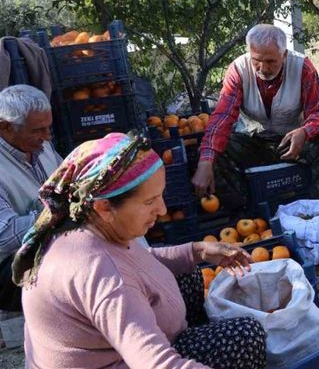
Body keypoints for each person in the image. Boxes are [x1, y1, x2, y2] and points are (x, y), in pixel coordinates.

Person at [17, 132, 267, 368]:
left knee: (187, 273)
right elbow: (155, 363)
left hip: (118, 342)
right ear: (105, 207)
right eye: (150, 202)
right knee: (244, 337)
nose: (162, 210)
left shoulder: (81, 226)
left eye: (160, 196)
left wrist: (197, 251)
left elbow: (139, 261)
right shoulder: (103, 274)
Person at [192, 24, 319, 203]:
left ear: (284, 55)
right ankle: (245, 210)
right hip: (254, 141)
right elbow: (222, 118)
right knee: (210, 152)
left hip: (292, 143)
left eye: (271, 61)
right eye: (256, 60)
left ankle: (318, 205)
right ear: (249, 53)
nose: (263, 68)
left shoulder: (302, 67)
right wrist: (205, 161)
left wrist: (305, 132)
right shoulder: (238, 70)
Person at [0, 85, 62, 311]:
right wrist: (55, 214)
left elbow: (67, 178)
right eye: (38, 130)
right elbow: (4, 235)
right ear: (4, 127)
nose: (46, 137)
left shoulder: (43, 147)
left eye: (48, 128)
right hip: (9, 266)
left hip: (46, 241)